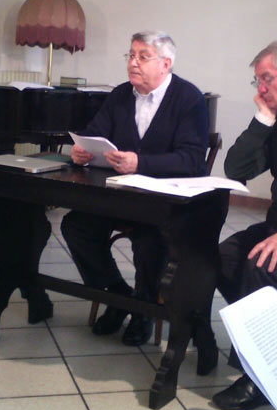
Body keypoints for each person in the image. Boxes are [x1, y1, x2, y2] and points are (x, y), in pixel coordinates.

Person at [61, 30, 209, 346]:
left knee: (150, 241)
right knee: (75, 226)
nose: (133, 63)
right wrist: (81, 151)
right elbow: (94, 133)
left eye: (143, 56)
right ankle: (117, 296)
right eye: (131, 55)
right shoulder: (120, 95)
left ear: (165, 64)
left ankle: (144, 309)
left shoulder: (189, 99)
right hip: (119, 198)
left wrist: (140, 163)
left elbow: (192, 160)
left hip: (163, 205)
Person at [212, 40, 277, 410]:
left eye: (266, 79)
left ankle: (259, 377)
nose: (260, 89)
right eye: (257, 81)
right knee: (222, 259)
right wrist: (262, 119)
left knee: (265, 264)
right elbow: (235, 169)